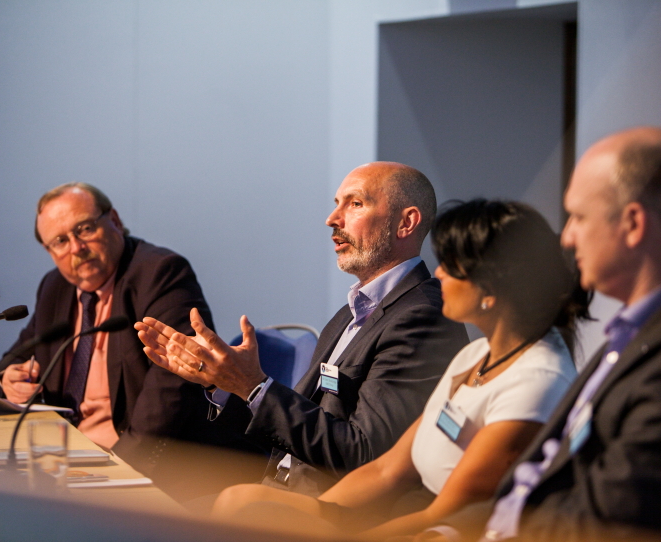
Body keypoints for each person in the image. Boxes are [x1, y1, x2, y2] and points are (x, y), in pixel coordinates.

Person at [207, 199, 588, 538]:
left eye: (451, 267)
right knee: (240, 501)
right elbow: (388, 469)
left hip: (444, 528)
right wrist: (321, 512)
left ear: (491, 290)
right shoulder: (475, 356)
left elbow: (449, 510)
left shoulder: (537, 380)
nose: (438, 275)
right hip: (412, 515)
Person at [431, 127, 661, 542]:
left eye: (578, 217)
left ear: (632, 224)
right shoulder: (632, 336)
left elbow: (599, 525)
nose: (568, 237)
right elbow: (538, 488)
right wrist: (448, 530)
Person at [136, 162, 469, 496]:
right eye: (336, 203)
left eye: (354, 204)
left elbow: (364, 454)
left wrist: (252, 386)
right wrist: (225, 384)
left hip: (329, 516)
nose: (332, 219)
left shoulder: (423, 318)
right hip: (277, 494)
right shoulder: (348, 315)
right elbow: (297, 430)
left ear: (406, 222)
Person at [0, 183, 229, 472]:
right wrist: (8, 378)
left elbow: (175, 383)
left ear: (114, 220)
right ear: (49, 250)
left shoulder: (159, 273)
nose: (76, 248)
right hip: (62, 455)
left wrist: (120, 468)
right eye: (61, 241)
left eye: (85, 229)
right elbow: (19, 353)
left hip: (135, 460)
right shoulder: (55, 287)